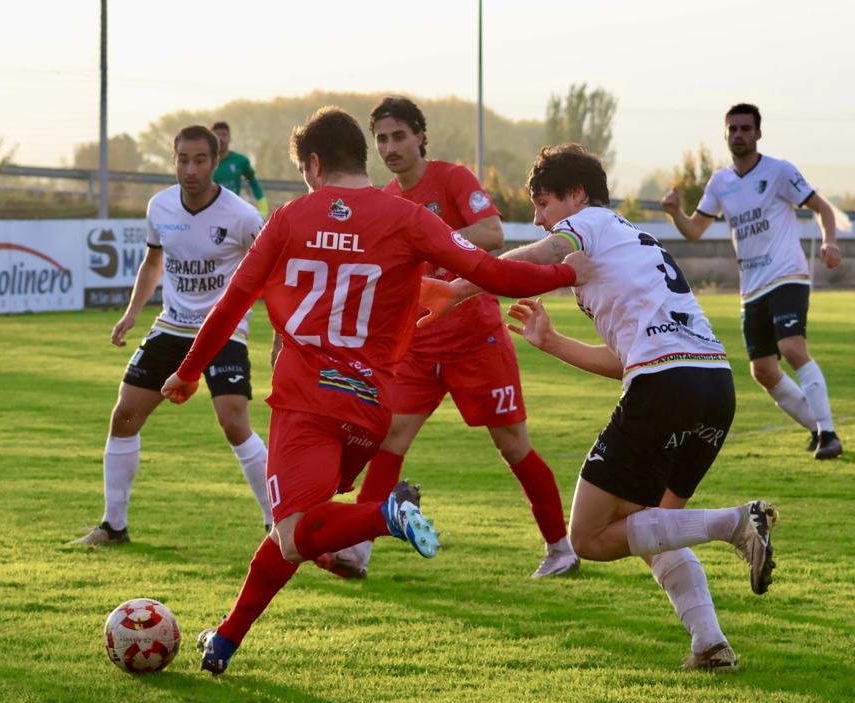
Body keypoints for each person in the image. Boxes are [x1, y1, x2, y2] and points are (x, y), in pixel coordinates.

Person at [161, 107, 578, 676]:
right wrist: (565, 272)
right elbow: (492, 272)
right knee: (299, 532)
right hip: (371, 407)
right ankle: (227, 639)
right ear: (363, 154)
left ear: (313, 164)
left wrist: (187, 372)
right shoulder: (405, 216)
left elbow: (232, 301)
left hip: (308, 402)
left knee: (295, 529)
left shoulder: (288, 218)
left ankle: (386, 515)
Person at [447, 143, 779, 670]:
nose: (537, 220)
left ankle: (736, 523)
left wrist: (457, 288)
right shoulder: (634, 239)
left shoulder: (591, 224)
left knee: (589, 537)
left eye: (543, 204)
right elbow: (627, 358)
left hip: (665, 385)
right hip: (714, 386)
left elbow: (537, 258)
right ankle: (710, 645)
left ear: (577, 195)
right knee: (654, 527)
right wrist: (553, 343)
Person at [325, 96, 575, 581]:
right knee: (389, 438)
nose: (391, 146)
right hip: (418, 342)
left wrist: (429, 237)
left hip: (474, 338)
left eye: (399, 135)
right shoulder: (387, 198)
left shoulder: (453, 179)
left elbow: (493, 232)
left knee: (512, 444)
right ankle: (357, 548)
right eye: (381, 138)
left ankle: (561, 547)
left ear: (421, 135)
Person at [73, 125, 271, 545]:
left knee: (233, 421)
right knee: (124, 416)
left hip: (223, 330)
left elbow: (269, 275)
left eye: (201, 160)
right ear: (174, 160)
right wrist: (131, 313)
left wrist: (284, 331)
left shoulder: (242, 217)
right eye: (184, 159)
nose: (191, 169)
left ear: (216, 163)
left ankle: (279, 524)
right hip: (172, 325)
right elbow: (152, 263)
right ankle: (113, 526)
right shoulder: (159, 207)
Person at [662, 103, 843, 460]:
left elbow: (821, 208)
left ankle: (830, 434)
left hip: (787, 274)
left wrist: (830, 241)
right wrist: (675, 213)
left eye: (746, 128)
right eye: (733, 129)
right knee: (762, 370)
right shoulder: (720, 183)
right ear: (725, 134)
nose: (739, 135)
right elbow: (695, 230)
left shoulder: (779, 171)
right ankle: (817, 429)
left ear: (758, 133)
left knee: (792, 347)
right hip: (752, 287)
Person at [211, 121, 269, 216]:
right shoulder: (203, 162)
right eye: (216, 135)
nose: (220, 138)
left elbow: (253, 182)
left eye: (224, 135)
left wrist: (263, 209)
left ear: (230, 138)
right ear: (211, 139)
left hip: (233, 212)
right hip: (210, 212)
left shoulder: (241, 161)